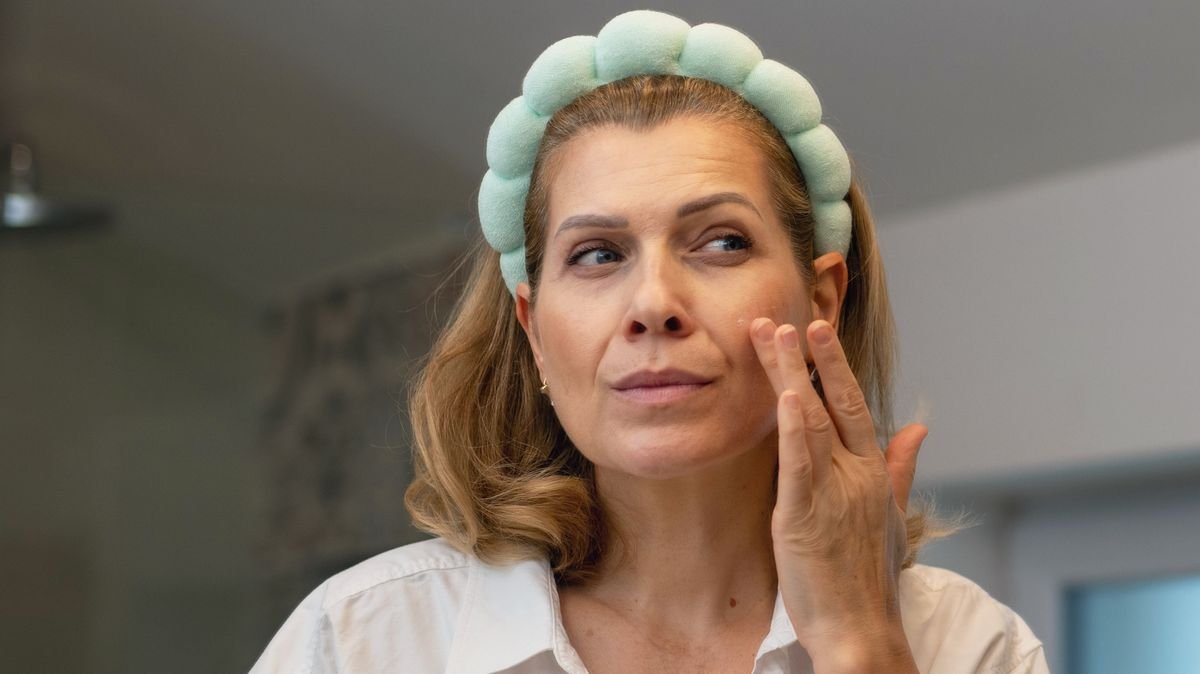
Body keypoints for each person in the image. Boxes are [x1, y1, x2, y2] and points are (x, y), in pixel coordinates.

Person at [251, 10, 1048, 673]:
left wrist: (861, 647)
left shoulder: (972, 647)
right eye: (597, 255)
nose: (654, 305)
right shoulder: (359, 642)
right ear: (533, 331)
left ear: (821, 301)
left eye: (721, 243)